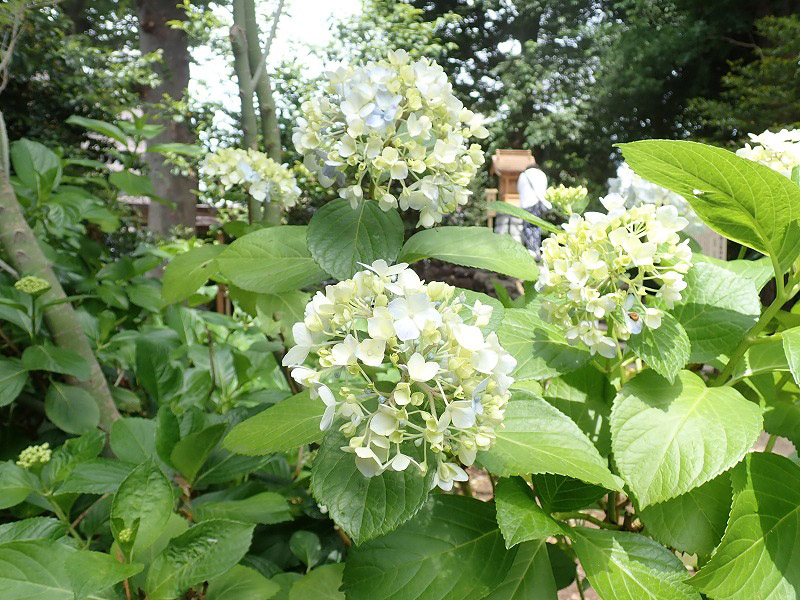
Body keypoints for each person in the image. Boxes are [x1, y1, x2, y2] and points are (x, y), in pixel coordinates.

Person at [494, 164, 549, 255]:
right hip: (538, 204)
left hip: (527, 204)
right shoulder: (541, 174)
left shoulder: (524, 175)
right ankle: (536, 249)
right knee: (536, 227)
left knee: (527, 226)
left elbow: (520, 190)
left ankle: (530, 249)